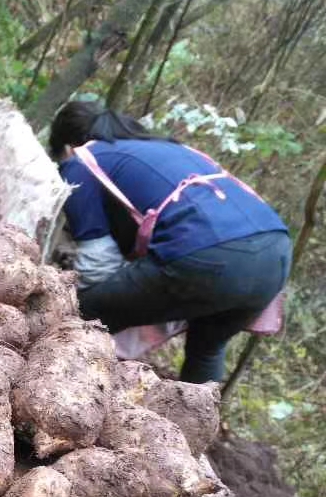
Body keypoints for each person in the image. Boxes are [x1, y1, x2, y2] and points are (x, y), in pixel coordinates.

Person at [47, 101, 292, 383]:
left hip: (208, 252)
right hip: (276, 253)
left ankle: (54, 392)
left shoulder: (81, 161)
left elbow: (98, 262)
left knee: (80, 313)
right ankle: (196, 423)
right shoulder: (171, 149)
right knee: (206, 349)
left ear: (66, 147)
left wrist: (86, 305)